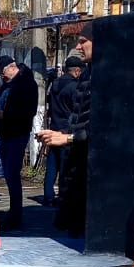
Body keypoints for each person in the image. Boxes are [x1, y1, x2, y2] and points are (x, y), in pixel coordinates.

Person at [40, 27, 94, 236]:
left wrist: (69, 137)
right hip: (71, 145)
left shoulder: (105, 74)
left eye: (83, 41)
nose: (78, 47)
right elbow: (79, 115)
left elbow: (102, 124)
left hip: (78, 148)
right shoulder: (86, 75)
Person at [0, 58, 39, 230]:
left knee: (12, 174)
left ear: (12, 68)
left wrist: (4, 115)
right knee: (8, 174)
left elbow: (28, 111)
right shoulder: (7, 84)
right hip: (6, 133)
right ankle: (13, 212)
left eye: (3, 73)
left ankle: (15, 215)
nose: (2, 77)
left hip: (17, 133)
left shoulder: (26, 84)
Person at [43, 52, 83, 213]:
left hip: (54, 126)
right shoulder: (75, 86)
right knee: (66, 167)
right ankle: (64, 197)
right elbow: (76, 108)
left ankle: (48, 196)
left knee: (52, 166)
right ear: (77, 71)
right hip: (67, 130)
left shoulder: (55, 84)